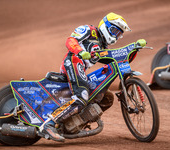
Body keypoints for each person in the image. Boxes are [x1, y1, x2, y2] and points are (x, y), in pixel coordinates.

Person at [42, 12, 131, 142]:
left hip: (80, 69)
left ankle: (73, 124)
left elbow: (115, 60)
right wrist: (80, 51)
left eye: (119, 34)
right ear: (106, 26)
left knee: (107, 98)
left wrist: (134, 49)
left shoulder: (104, 46)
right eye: (115, 31)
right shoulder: (89, 30)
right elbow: (70, 40)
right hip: (73, 61)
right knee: (82, 96)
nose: (116, 36)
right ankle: (49, 124)